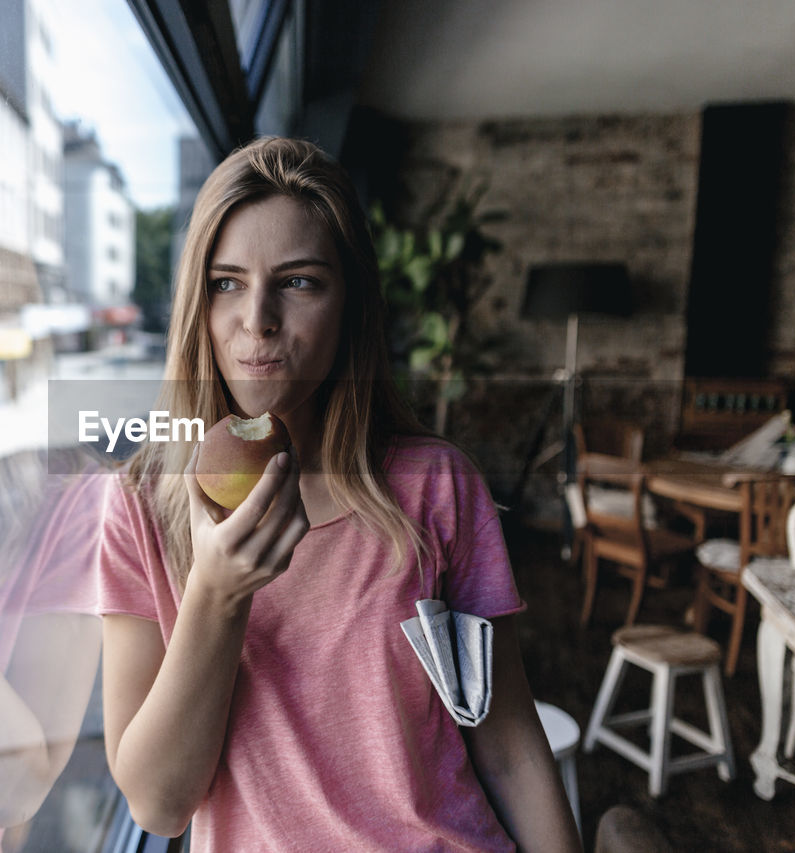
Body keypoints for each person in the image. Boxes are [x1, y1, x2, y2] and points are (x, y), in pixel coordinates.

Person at [98, 136, 581, 852]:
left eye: (298, 282)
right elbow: (158, 805)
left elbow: (505, 737)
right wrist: (217, 593)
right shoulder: (142, 502)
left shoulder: (435, 487)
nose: (256, 319)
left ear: (351, 305)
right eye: (226, 282)